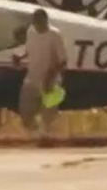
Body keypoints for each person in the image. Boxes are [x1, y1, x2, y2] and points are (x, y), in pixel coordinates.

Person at [12, 8, 67, 137]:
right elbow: (29, 49)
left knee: (48, 118)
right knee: (25, 113)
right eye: (36, 22)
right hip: (32, 78)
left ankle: (47, 138)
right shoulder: (31, 32)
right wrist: (20, 57)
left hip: (51, 82)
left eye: (40, 23)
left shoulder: (55, 35)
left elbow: (63, 61)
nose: (38, 26)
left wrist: (51, 76)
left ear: (46, 21)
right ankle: (35, 135)